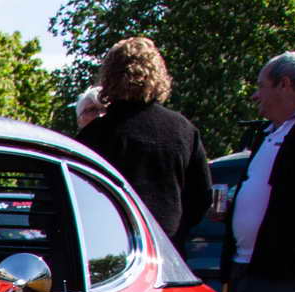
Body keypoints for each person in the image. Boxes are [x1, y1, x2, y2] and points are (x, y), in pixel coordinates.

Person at [77, 36, 211, 253]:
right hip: (167, 250)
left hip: (111, 251)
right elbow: (201, 198)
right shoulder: (184, 131)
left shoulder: (97, 134)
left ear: (109, 77)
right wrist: (176, 229)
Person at [224, 50, 295, 292]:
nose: (255, 96)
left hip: (279, 266)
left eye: (261, 86)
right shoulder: (270, 131)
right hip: (246, 261)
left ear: (285, 84)